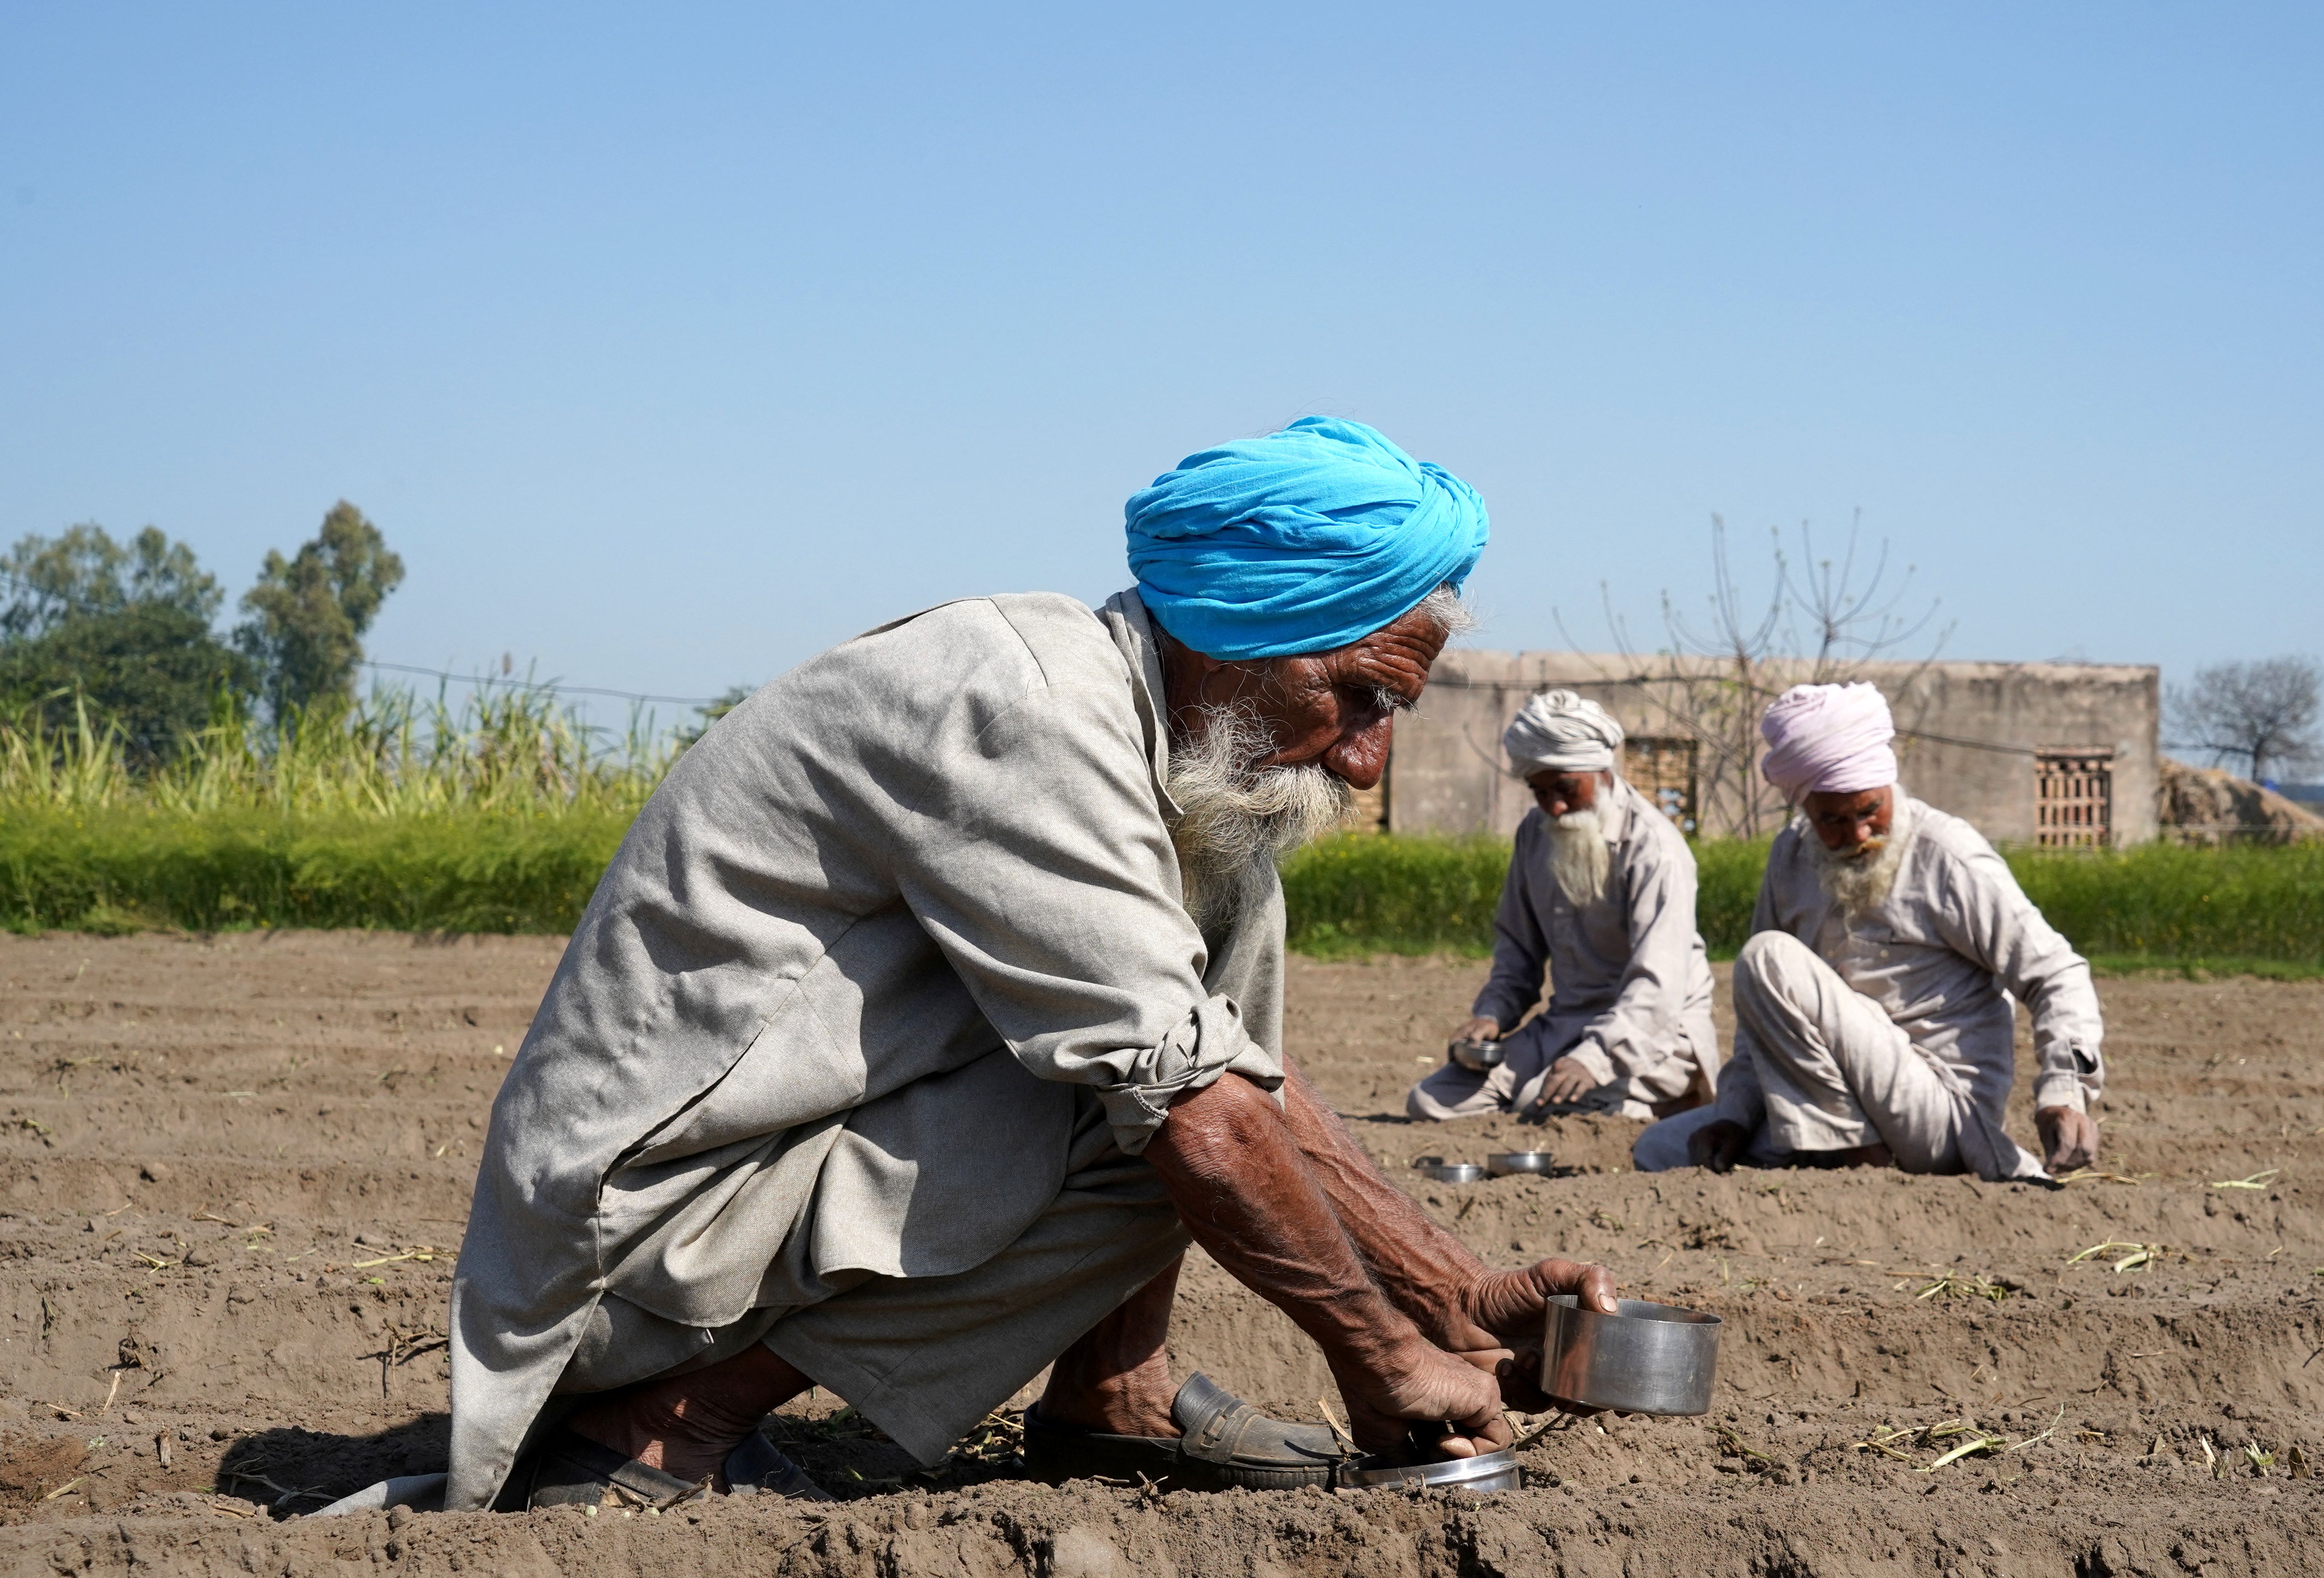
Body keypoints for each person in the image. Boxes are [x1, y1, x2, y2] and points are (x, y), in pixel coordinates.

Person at [431, 417, 1615, 1514]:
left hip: (755, 1179)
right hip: (641, 1237)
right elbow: (1199, 1108)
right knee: (1173, 1120)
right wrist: (1379, 1353)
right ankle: (664, 1424)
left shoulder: (1165, 751)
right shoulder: (1026, 711)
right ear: (1236, 628)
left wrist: (1448, 1291)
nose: (1365, 762)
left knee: (1202, 1015)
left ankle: (1112, 1393)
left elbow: (1229, 1066)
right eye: (1355, 695)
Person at [1632, 681, 2105, 1182]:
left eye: (1868, 811)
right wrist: (1735, 1111)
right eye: (1832, 819)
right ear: (1804, 808)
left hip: (1937, 1109)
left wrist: (2064, 1092)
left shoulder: (1946, 854)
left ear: (1886, 784)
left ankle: (1860, 1160)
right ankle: (1833, 1149)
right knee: (1660, 1147)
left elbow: (2054, 971)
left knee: (1767, 958)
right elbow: (1762, 1017)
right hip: (1838, 1096)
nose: (1856, 835)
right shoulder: (1790, 858)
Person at [1407, 690, 1715, 1122]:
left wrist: (1595, 1058)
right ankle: (1622, 1105)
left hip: (1653, 1034)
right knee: (1432, 1101)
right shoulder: (1536, 832)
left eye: (1566, 789)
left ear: (1602, 772)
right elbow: (1518, 948)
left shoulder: (1655, 849)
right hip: (1564, 1025)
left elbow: (1657, 987)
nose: (1554, 805)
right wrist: (1492, 1014)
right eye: (1540, 791)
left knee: (1540, 1103)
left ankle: (1663, 1102)